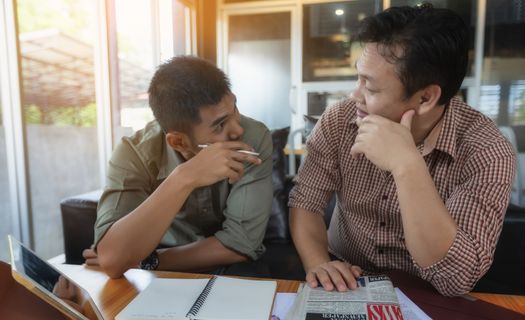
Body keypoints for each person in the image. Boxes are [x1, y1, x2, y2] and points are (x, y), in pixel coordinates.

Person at [288, 4, 516, 297]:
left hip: (432, 294)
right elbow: (306, 201)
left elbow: (456, 279)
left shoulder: (487, 151)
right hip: (346, 278)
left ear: (424, 98)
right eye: (359, 78)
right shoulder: (340, 119)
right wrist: (319, 263)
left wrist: (407, 165)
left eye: (370, 88)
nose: (354, 95)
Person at [83, 56, 273, 279]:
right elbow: (113, 260)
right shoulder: (135, 153)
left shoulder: (254, 137)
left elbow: (241, 244)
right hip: (160, 281)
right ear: (178, 142)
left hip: (233, 272)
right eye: (220, 125)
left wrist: (149, 261)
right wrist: (185, 177)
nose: (237, 130)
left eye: (235, 109)